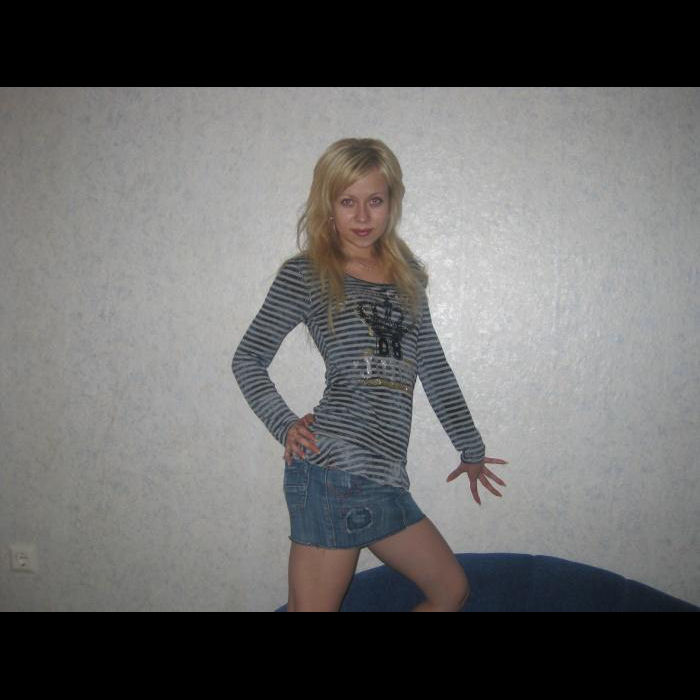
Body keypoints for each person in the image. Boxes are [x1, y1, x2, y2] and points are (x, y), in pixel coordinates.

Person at [232, 137, 508, 612]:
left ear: (392, 203)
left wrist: (471, 448)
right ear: (328, 205)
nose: (362, 216)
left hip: (385, 477)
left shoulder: (408, 276)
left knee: (450, 591)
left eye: (374, 201)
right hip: (332, 470)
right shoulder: (307, 273)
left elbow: (433, 367)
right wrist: (285, 425)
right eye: (348, 202)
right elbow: (248, 358)